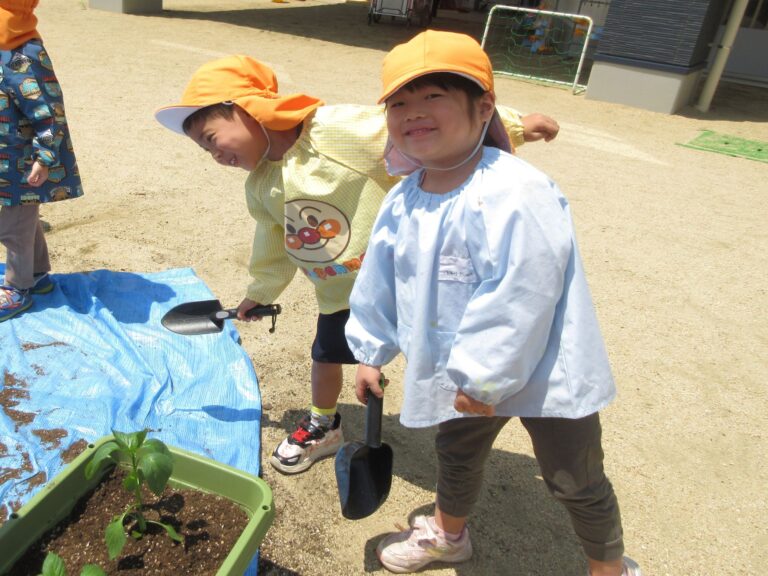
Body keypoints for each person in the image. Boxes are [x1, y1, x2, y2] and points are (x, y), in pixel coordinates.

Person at [154, 54, 559, 475]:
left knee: (440, 347)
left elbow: (414, 128)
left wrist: (515, 125)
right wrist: (259, 293)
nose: (213, 154)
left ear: (246, 109)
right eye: (204, 148)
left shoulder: (332, 131)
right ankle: (323, 424)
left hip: (403, 279)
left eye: (211, 138)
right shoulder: (260, 185)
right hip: (339, 292)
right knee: (325, 355)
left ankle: (473, 412)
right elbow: (272, 244)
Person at [345, 30, 641, 576]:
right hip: (461, 376)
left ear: (484, 108)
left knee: (573, 476)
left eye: (433, 96)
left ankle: (609, 567)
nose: (414, 112)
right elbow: (380, 280)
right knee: (456, 454)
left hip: (542, 367)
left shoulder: (517, 190)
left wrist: (483, 377)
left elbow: (524, 292)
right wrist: (370, 351)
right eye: (399, 103)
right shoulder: (403, 197)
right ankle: (449, 536)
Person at [0, 0, 83, 322]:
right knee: (24, 220)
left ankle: (17, 288)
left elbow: (48, 112)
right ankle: (36, 275)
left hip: (23, 161)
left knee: (12, 227)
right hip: (7, 160)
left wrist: (44, 158)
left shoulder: (22, 56)